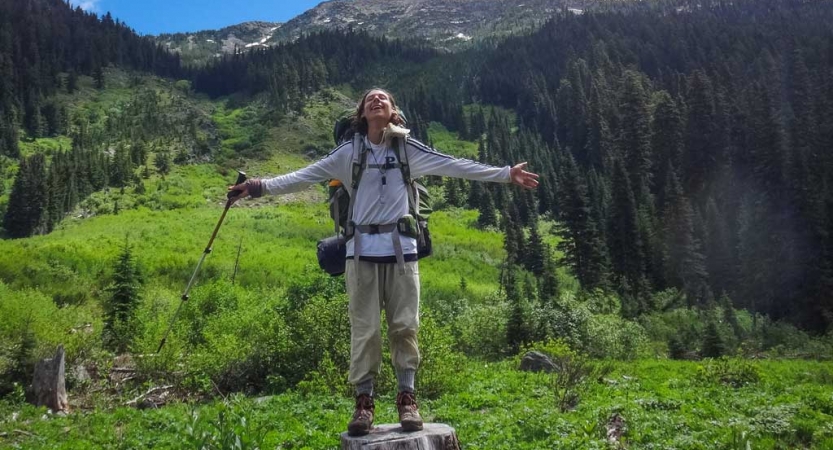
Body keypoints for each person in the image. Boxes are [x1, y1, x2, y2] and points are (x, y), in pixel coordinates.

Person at [229, 88, 538, 436]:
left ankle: (407, 399)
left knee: (405, 326)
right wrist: (255, 187)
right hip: (360, 253)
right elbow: (302, 176)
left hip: (402, 252)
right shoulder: (348, 153)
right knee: (365, 331)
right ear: (362, 113)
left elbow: (453, 165)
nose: (376, 101)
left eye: (384, 99)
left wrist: (505, 173)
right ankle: (364, 404)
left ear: (393, 112)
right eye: (369, 100)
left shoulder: (406, 149)